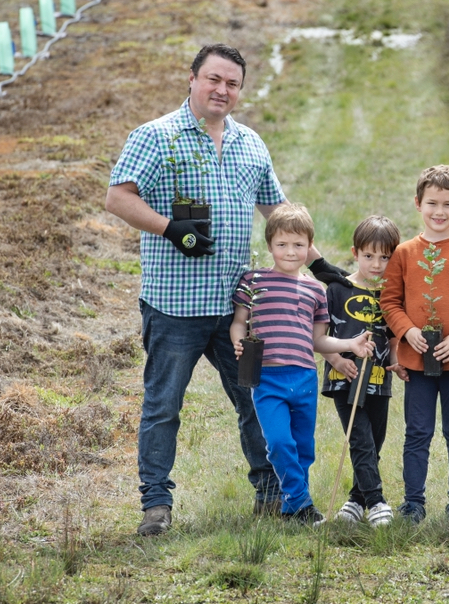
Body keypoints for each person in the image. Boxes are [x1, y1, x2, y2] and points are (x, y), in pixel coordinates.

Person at [105, 44, 348, 537]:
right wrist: (171, 229)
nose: (222, 90)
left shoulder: (249, 143)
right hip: (176, 307)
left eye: (232, 83)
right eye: (213, 79)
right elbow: (117, 197)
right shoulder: (156, 137)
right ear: (192, 78)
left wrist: (321, 266)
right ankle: (156, 505)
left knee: (255, 399)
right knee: (163, 406)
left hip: (241, 309)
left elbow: (279, 213)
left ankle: (271, 493)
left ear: (240, 89)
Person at [230, 203, 373, 525]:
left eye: (298, 245)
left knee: (303, 448)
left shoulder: (314, 290)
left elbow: (318, 340)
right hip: (267, 378)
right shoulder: (254, 281)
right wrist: (238, 341)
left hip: (304, 377)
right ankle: (302, 503)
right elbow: (240, 322)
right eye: (282, 244)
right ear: (269, 245)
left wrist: (349, 345)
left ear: (310, 247)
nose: (290, 251)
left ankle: (293, 509)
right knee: (279, 443)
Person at [380, 165, 449, 524]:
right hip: (417, 359)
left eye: (448, 204)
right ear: (418, 204)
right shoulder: (405, 252)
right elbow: (390, 301)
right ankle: (413, 504)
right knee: (417, 431)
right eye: (432, 203)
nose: (439, 212)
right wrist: (407, 332)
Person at [321, 215, 402, 528]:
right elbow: (321, 335)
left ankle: (355, 500)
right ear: (355, 253)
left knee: (374, 441)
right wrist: (336, 360)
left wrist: (396, 359)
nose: (377, 264)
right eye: (369, 256)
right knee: (360, 439)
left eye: (385, 257)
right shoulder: (338, 290)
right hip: (346, 378)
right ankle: (377, 501)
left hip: (380, 379)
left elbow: (393, 336)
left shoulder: (392, 294)